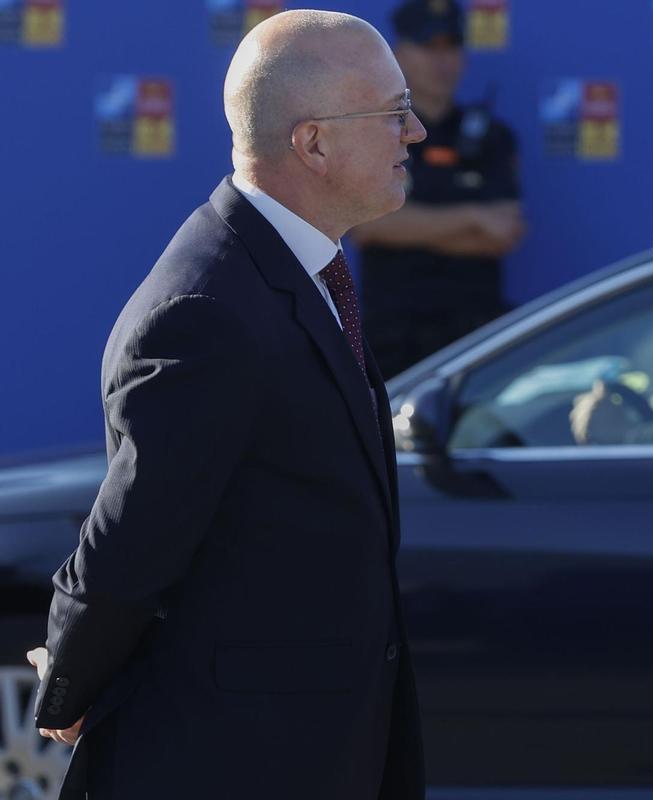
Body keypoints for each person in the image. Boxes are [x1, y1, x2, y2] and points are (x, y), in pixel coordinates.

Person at [24, 10, 428, 799]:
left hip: (313, 747)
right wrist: (69, 684)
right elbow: (133, 536)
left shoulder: (290, 269)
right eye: (391, 112)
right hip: (239, 759)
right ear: (312, 143)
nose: (414, 131)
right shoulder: (208, 308)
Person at [351, 0, 524, 379]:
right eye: (429, 46)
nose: (442, 61)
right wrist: (473, 217)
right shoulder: (375, 132)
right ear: (398, 54)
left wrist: (408, 224)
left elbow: (503, 233)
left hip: (478, 340)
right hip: (393, 340)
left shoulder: (494, 137)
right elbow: (368, 228)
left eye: (452, 47)